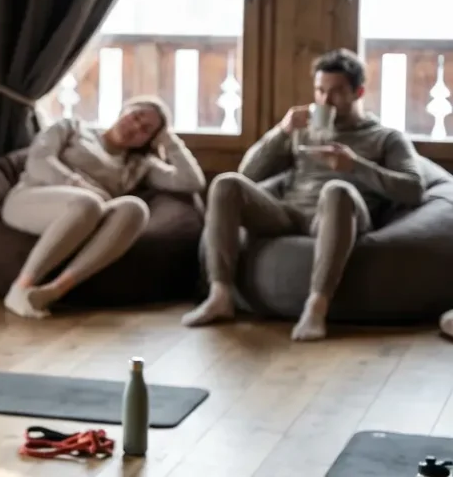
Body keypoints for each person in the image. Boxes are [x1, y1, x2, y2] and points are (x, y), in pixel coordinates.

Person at [182, 48, 424, 341]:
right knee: (225, 183)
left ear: (358, 92)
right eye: (320, 91)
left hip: (337, 217)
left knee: (336, 189)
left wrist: (355, 166)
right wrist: (282, 131)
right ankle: (220, 294)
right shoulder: (303, 129)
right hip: (289, 213)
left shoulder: (385, 137)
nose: (325, 100)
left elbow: (413, 188)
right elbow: (249, 174)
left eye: (336, 92)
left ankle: (316, 307)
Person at [0, 96, 205, 318]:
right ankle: (21, 287)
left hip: (87, 218)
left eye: (145, 130)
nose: (135, 127)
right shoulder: (72, 127)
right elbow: (38, 161)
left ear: (149, 140)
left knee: (135, 208)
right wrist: (81, 185)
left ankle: (53, 290)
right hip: (31, 201)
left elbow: (192, 181)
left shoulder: (138, 165)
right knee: (88, 203)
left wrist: (168, 138)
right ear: (124, 109)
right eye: (135, 116)